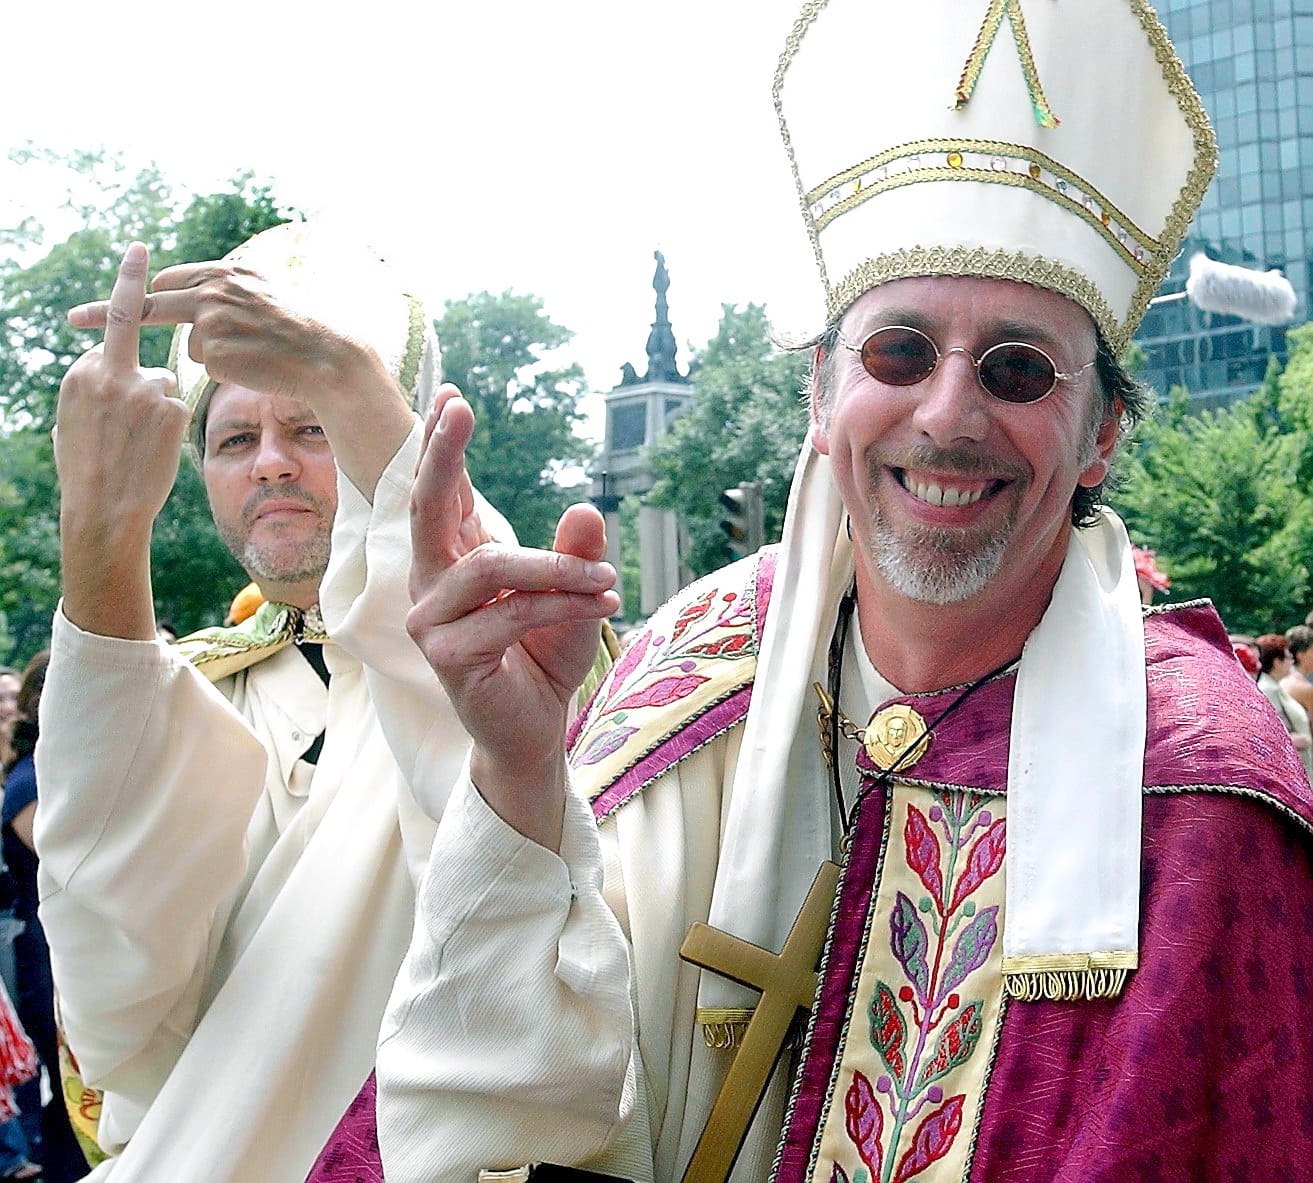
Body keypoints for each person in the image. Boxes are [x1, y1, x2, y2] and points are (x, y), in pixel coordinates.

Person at [362, 4, 1313, 1181]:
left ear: (1102, 429)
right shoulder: (682, 670)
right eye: (897, 352)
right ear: (821, 391)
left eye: (1017, 367)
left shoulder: (1198, 784)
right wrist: (515, 769)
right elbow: (487, 1125)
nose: (948, 414)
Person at [35, 222, 516, 1182]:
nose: (270, 463)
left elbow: (504, 846)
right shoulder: (179, 691)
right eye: (234, 437)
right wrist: (100, 525)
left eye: (312, 425)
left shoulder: (532, 650)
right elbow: (114, 997)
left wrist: (349, 381)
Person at [2, 652, 83, 1182]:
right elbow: (71, 863)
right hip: (48, 957)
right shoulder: (28, 783)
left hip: (72, 951)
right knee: (73, 1091)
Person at [1256, 634, 1313, 778]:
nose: (1292, 660)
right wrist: (1293, 739)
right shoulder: (1268, 689)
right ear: (1277, 662)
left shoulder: (1275, 687)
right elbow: (1266, 732)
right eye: (1288, 657)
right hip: (1291, 770)